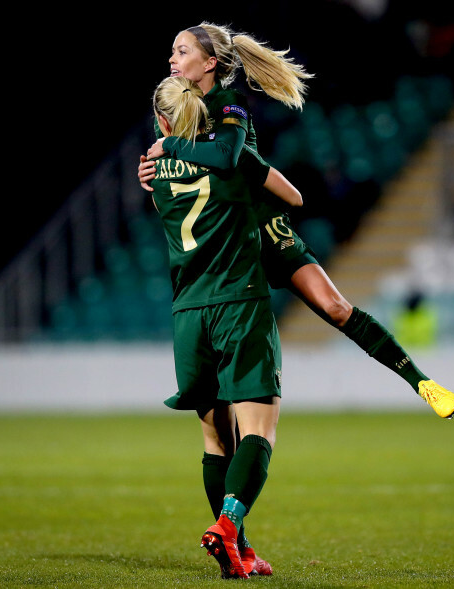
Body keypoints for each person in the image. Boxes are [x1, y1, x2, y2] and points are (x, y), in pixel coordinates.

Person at [138, 22, 454, 421]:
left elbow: (224, 156)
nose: (173, 58)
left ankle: (422, 383)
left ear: (211, 62)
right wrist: (152, 182)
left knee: (335, 308)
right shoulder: (168, 113)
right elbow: (174, 192)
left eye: (182, 51)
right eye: (173, 51)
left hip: (260, 226)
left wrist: (169, 147)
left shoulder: (228, 105)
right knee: (217, 403)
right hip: (220, 241)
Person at [150, 75, 304, 579]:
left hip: (187, 313)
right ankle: (228, 525)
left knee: (216, 439)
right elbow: (292, 198)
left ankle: (240, 553)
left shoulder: (157, 176)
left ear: (164, 120)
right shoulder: (228, 162)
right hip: (238, 302)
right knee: (260, 429)